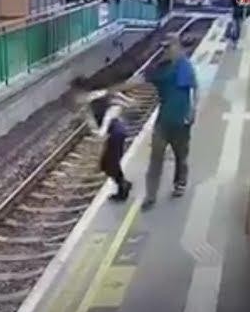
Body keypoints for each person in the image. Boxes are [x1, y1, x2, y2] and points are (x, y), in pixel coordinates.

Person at [113, 35, 198, 210]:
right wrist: (113, 89)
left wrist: (193, 110)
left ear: (177, 47)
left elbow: (194, 88)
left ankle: (180, 182)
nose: (165, 51)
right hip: (163, 123)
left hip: (182, 123)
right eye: (164, 48)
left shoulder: (184, 66)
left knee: (181, 156)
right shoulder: (159, 69)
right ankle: (150, 196)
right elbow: (138, 81)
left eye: (169, 47)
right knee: (155, 159)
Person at [71, 75, 134, 202]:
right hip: (115, 133)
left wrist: (103, 129)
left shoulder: (93, 98)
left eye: (76, 93)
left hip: (116, 132)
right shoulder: (90, 101)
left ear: (81, 91)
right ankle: (124, 183)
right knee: (108, 164)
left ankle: (123, 189)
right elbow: (112, 94)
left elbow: (111, 109)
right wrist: (126, 101)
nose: (74, 97)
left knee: (109, 164)